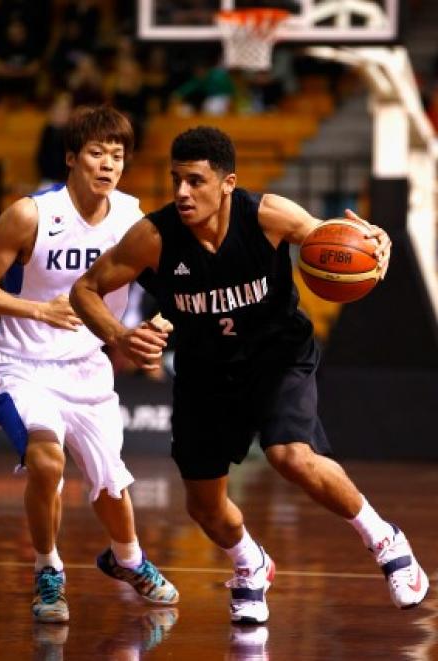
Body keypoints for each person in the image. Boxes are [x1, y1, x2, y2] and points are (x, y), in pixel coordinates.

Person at [70, 125, 429, 625]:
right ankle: (250, 564)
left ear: (227, 183)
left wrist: (377, 240)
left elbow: (331, 239)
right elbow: (85, 289)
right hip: (204, 371)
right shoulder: (154, 237)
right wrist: (118, 334)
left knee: (290, 455)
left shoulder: (266, 214)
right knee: (204, 506)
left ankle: (385, 539)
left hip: (276, 353)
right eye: (176, 180)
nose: (181, 192)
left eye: (195, 181)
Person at [0, 105, 178, 624]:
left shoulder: (133, 219)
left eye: (118, 156)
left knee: (109, 483)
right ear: (72, 158)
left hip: (86, 367)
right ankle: (48, 569)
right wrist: (39, 309)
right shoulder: (30, 214)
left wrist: (161, 326)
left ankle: (128, 560)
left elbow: (178, 284)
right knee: (47, 462)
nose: (108, 165)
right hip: (20, 362)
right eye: (97, 153)